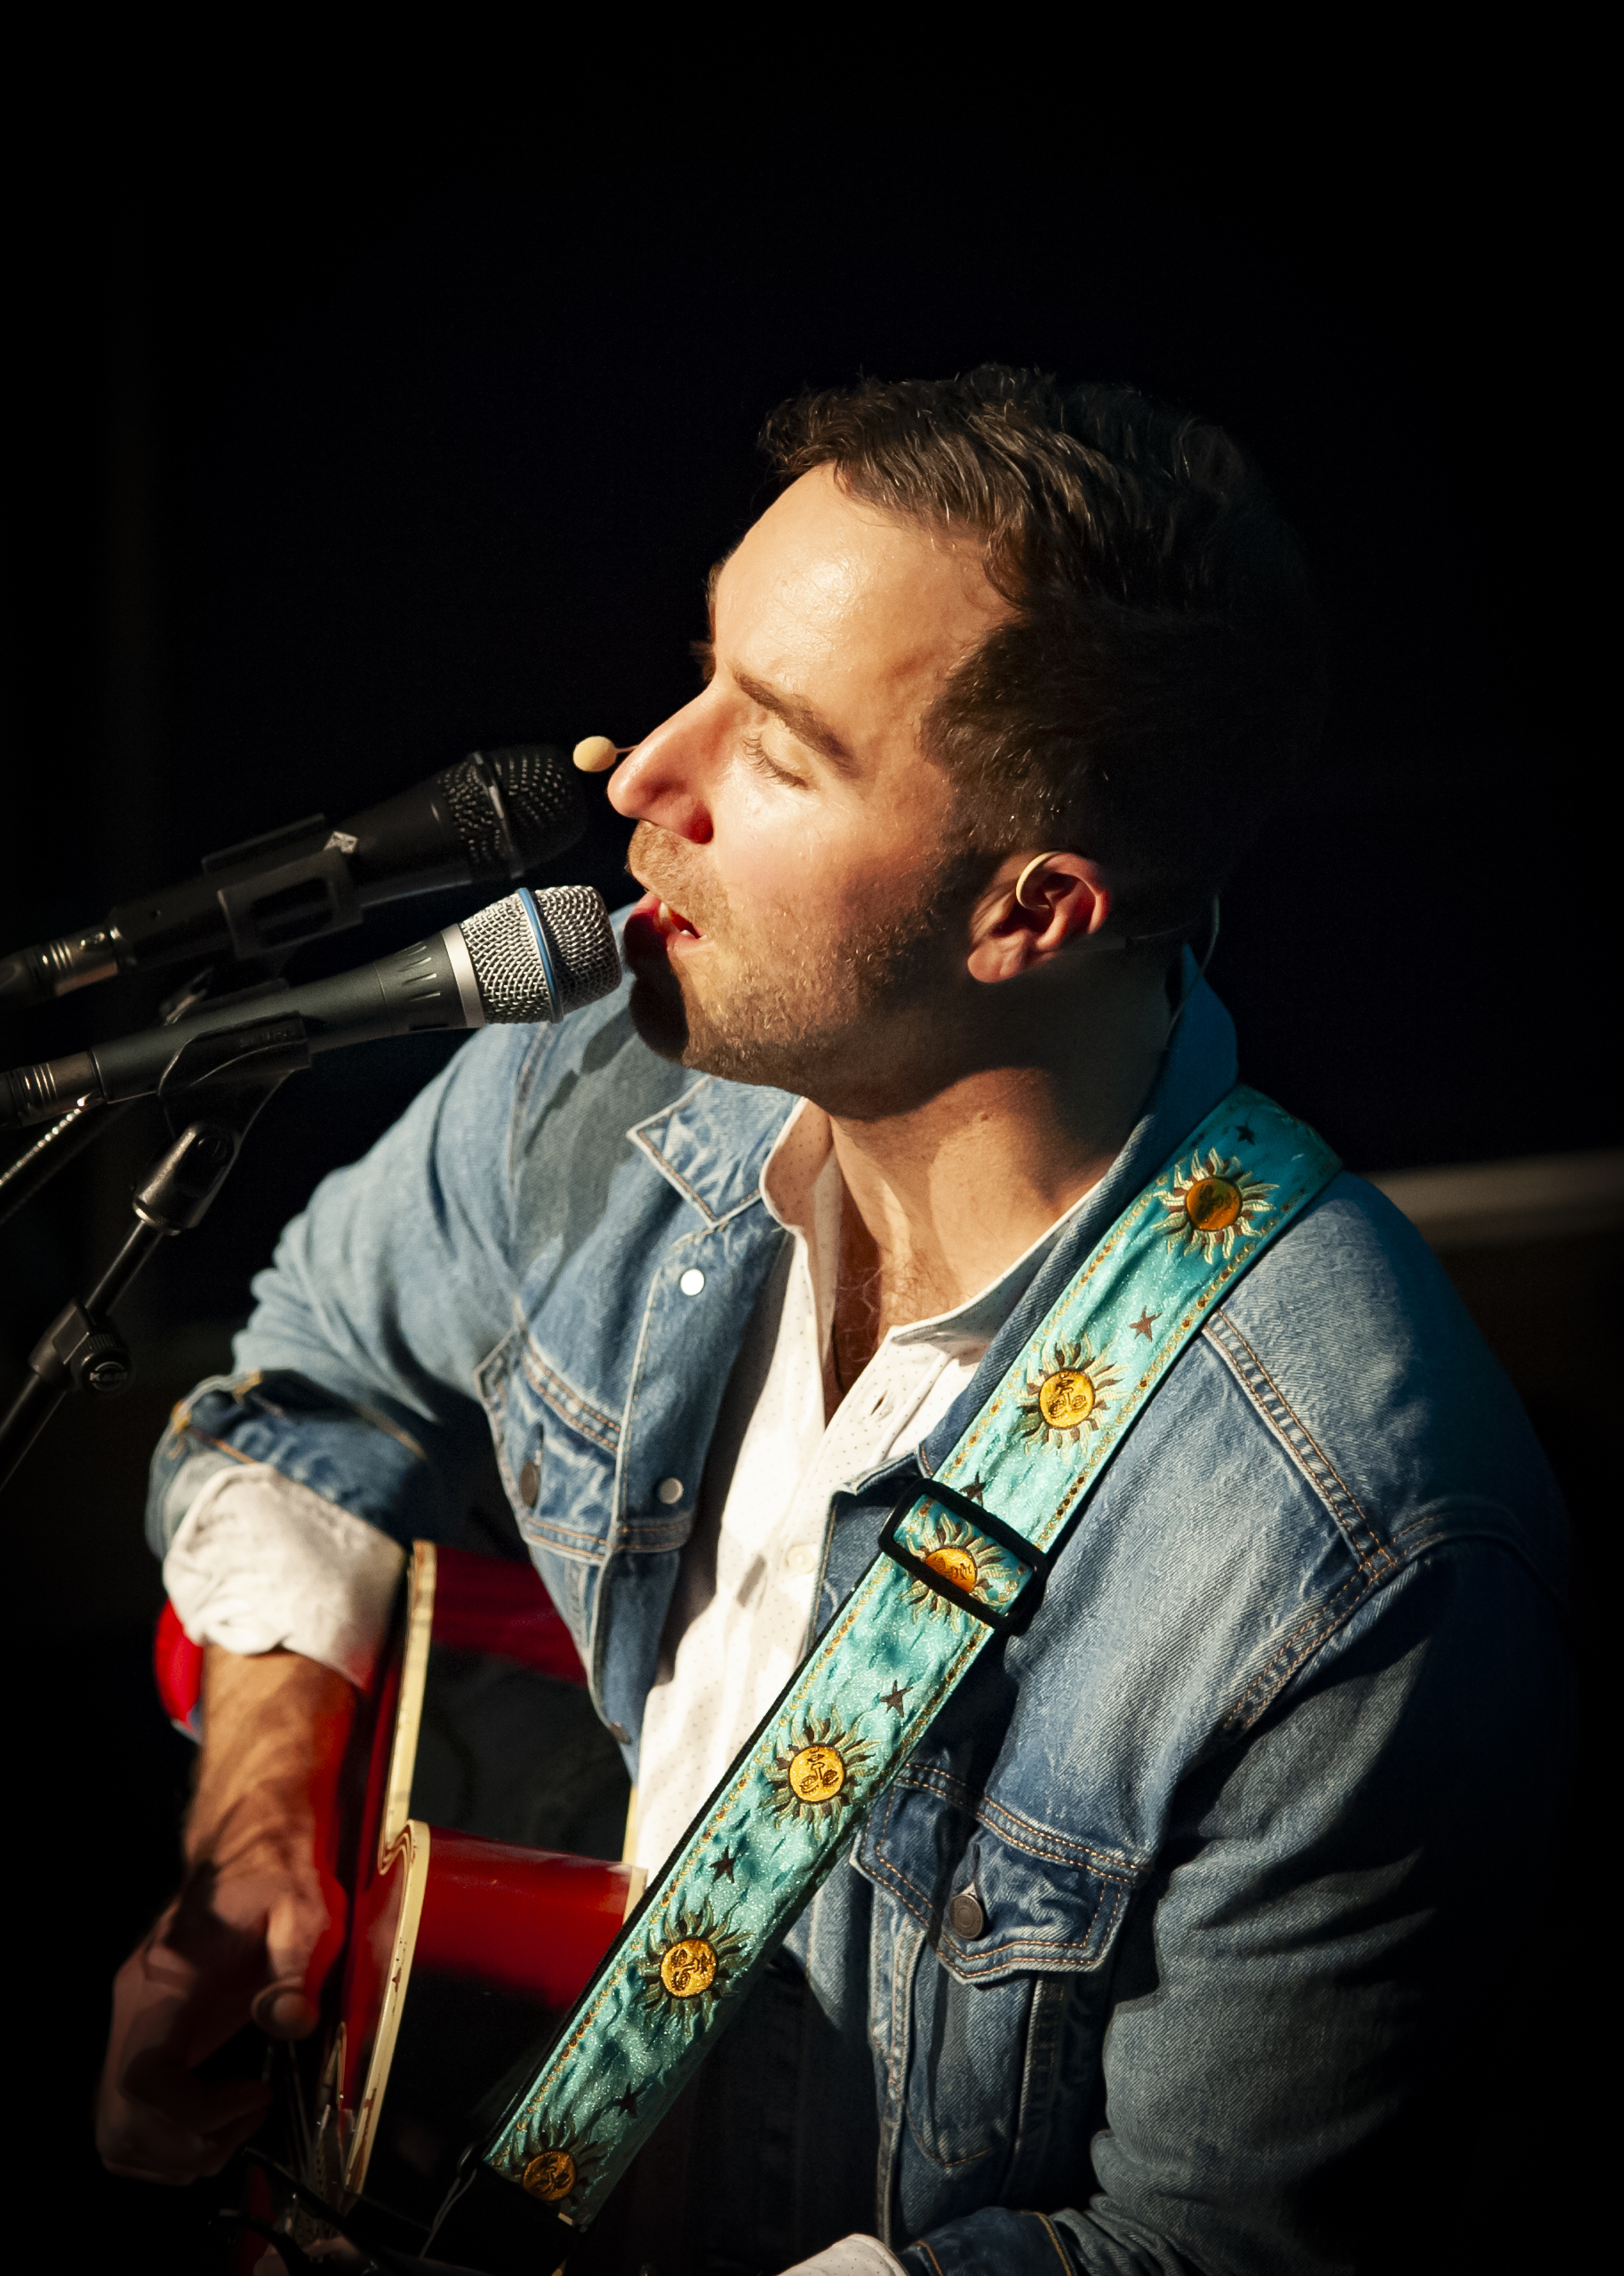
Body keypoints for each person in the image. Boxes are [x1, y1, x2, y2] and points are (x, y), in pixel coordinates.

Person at [96, 369, 1571, 2274]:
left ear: (1032, 910)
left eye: (779, 752)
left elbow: (1207, 2252)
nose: (641, 776)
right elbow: (314, 1389)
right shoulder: (590, 1084)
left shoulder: (1357, 1545)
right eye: (699, 671)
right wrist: (260, 1830)